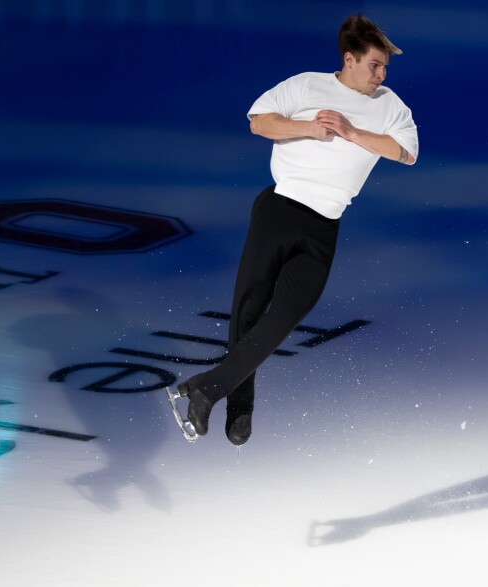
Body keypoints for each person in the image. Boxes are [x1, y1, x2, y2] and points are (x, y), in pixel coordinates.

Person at [176, 15, 418, 445]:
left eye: (384, 67)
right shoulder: (307, 85)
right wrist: (309, 127)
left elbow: (405, 153)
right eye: (375, 65)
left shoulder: (390, 105)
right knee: (248, 310)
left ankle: (207, 388)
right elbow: (258, 121)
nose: (382, 74)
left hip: (324, 225)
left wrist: (350, 130)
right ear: (349, 58)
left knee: (286, 317)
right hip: (278, 210)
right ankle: (238, 406)